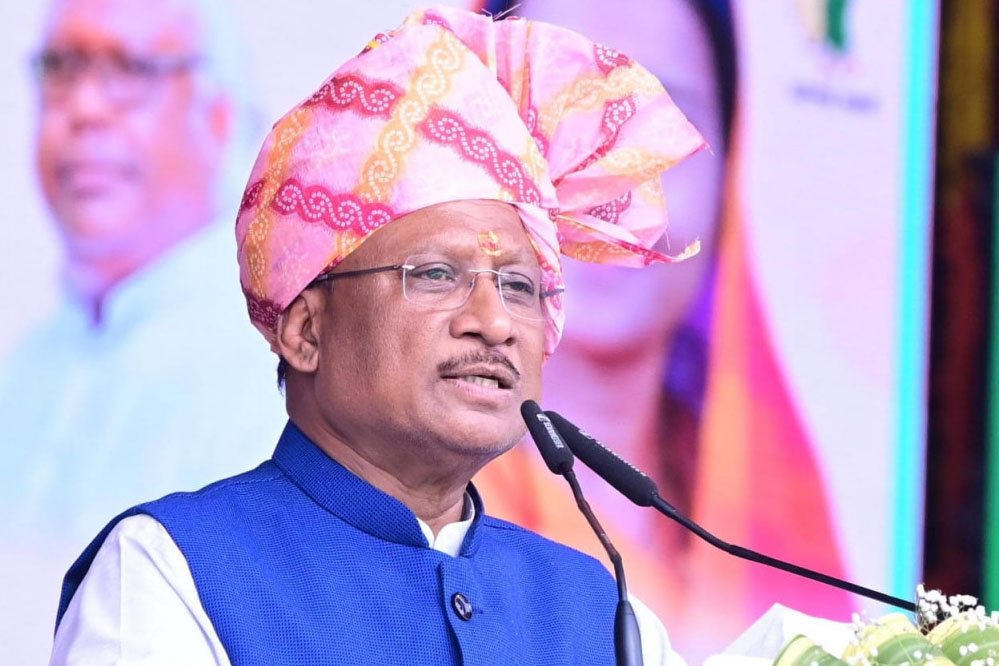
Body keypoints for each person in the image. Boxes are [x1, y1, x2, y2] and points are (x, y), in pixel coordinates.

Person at [49, 6, 707, 664]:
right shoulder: (169, 572)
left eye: (517, 286)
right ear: (305, 330)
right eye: (436, 275)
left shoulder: (601, 611)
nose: (495, 322)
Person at [473, 0, 854, 661]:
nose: (613, 188)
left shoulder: (776, 514)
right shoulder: (410, 502)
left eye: (662, 124)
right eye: (560, 115)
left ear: (730, 169)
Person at [0, 0, 283, 661]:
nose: (83, 109)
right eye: (62, 68)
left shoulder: (269, 360)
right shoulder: (28, 366)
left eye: (129, 69)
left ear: (218, 118)